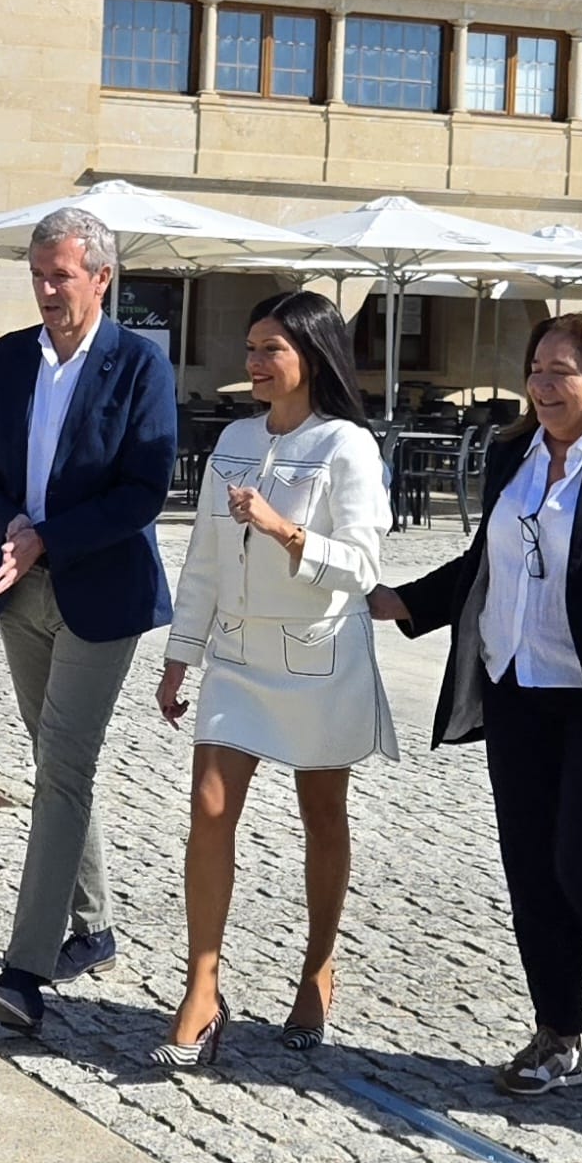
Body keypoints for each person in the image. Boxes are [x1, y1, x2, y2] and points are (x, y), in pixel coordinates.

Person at [367, 313, 582, 1095]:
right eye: (537, 369)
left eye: (563, 371)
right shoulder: (513, 454)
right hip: (517, 688)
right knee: (532, 868)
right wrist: (404, 602)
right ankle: (556, 1034)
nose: (544, 385)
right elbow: (487, 559)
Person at [149, 291, 397, 1067]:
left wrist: (286, 530)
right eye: (251, 348)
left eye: (270, 350)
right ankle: (201, 988)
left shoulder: (347, 445)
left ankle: (318, 969)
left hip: (320, 659)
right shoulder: (232, 438)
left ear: (311, 358)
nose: (254, 363)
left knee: (322, 816)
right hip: (237, 660)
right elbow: (204, 563)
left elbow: (361, 567)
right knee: (209, 807)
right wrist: (179, 654)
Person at [0, 208, 178, 1030]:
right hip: (22, 589)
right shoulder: (8, 360)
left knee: (63, 763)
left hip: (102, 594)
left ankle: (25, 971)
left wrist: (50, 537)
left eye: (62, 275)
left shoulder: (140, 367)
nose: (48, 290)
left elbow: (144, 491)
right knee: (55, 762)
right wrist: (11, 523)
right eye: (39, 275)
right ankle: (94, 926)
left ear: (101, 277)